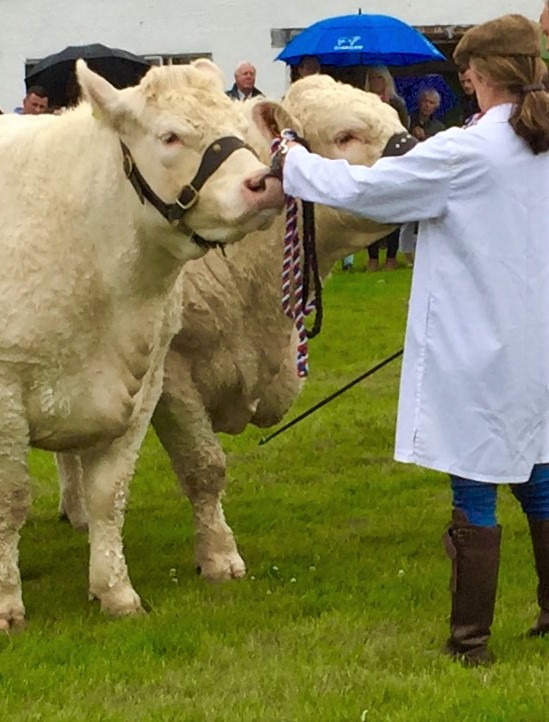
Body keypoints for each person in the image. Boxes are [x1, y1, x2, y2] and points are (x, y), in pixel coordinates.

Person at [273, 13, 549, 666]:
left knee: (474, 484)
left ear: (474, 76)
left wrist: (290, 163)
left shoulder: (464, 151)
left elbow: (367, 190)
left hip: (477, 342)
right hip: (536, 337)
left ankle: (469, 643)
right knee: (537, 473)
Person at [364, 67, 408, 270]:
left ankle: (391, 255)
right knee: (370, 208)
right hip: (371, 157)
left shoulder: (397, 103)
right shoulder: (363, 102)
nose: (375, 82)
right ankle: (372, 256)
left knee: (393, 207)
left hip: (392, 156)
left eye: (379, 78)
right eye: (372, 78)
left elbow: (403, 128)